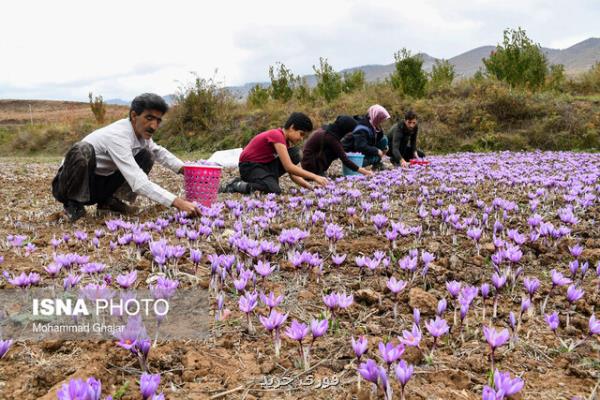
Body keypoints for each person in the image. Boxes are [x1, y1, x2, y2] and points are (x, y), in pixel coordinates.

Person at [52, 93, 200, 222]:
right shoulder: (118, 135)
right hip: (68, 185)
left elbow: (159, 152)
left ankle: (109, 202)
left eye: (158, 120)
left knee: (147, 155)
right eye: (149, 118)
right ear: (134, 116)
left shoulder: (141, 135)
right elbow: (139, 182)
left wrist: (188, 170)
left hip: (98, 186)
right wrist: (177, 202)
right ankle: (73, 205)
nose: (154, 126)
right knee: (82, 149)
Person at [221, 112, 328, 194]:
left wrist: (310, 187)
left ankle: (262, 181)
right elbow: (289, 167)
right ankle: (236, 185)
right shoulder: (277, 135)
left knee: (295, 153)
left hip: (263, 166)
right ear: (291, 127)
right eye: (301, 134)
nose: (301, 138)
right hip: (249, 167)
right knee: (273, 190)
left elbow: (293, 174)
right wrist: (315, 177)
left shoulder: (285, 143)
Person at [301, 115, 373, 177]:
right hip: (309, 167)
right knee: (336, 151)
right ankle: (317, 172)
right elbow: (345, 160)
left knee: (339, 149)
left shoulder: (327, 130)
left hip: (307, 162)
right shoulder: (331, 138)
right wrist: (365, 172)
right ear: (345, 130)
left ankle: (318, 170)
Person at [341, 104, 390, 169]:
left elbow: (379, 137)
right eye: (381, 119)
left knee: (384, 139)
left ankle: (376, 162)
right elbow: (360, 146)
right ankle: (374, 162)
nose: (382, 122)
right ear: (376, 117)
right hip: (353, 155)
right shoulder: (362, 129)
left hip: (362, 150)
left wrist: (385, 148)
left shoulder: (373, 122)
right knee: (377, 157)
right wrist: (376, 151)